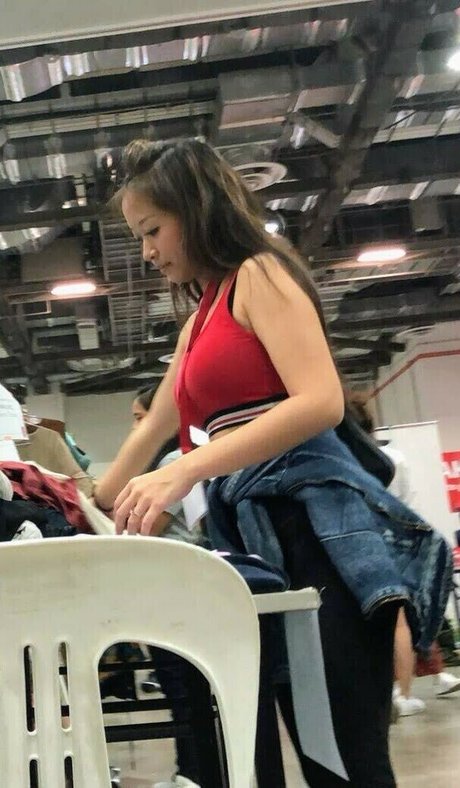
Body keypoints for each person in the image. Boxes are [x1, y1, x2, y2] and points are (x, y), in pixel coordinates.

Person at [95, 138, 450, 788]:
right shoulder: (198, 320)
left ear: (196, 210)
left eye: (152, 230)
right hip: (255, 539)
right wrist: (69, 491)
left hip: (313, 526)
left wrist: (186, 469)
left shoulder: (259, 274)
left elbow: (319, 400)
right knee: (308, 745)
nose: (146, 251)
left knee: (342, 758)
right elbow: (143, 444)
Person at [351, 400, 460, 716]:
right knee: (408, 615)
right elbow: (409, 504)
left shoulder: (343, 462)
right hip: (398, 542)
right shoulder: (394, 459)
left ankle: (399, 689)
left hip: (360, 542)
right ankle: (406, 691)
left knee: (380, 619)